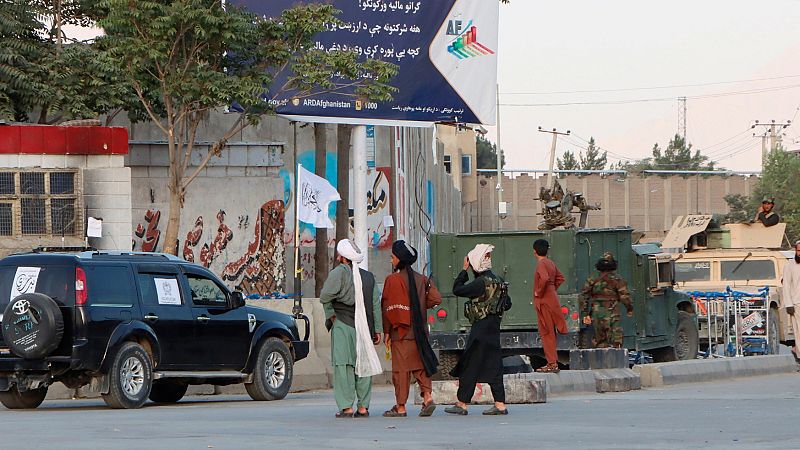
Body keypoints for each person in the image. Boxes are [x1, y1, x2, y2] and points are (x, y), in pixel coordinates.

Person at [319, 239, 383, 418]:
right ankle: (363, 407)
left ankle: (347, 407)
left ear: (343, 258)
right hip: (364, 328)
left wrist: (331, 314)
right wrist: (377, 330)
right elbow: (375, 305)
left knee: (343, 365)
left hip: (343, 325)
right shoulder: (369, 277)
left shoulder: (339, 273)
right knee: (363, 364)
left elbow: (325, 296)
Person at [445, 243, 508, 416]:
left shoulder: (480, 283)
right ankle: (500, 404)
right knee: (494, 366)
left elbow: (457, 289)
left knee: (470, 365)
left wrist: (463, 271)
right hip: (494, 329)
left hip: (480, 329)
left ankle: (462, 403)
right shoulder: (499, 281)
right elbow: (507, 303)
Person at [381, 240, 442, 417]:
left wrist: (386, 332)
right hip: (419, 332)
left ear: (400, 259)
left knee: (401, 371)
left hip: (401, 333)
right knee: (420, 366)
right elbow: (436, 299)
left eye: (392, 257)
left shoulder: (393, 280)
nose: (391, 261)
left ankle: (400, 407)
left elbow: (387, 307)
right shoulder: (422, 279)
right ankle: (427, 398)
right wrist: (421, 306)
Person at [579, 252, 633, 349]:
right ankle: (616, 361)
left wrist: (585, 314)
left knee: (599, 340)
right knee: (616, 340)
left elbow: (584, 296)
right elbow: (625, 297)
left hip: (596, 313)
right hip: (612, 312)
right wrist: (629, 309)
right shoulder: (618, 279)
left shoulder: (592, 278)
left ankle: (600, 362)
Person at [532, 239, 567, 373]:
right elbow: (560, 278)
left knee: (546, 332)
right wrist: (552, 290)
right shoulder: (550, 263)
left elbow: (545, 278)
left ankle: (552, 363)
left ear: (534, 251)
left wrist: (539, 292)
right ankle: (552, 362)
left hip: (544, 302)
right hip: (552, 299)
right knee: (551, 332)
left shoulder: (541, 264)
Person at [781, 241, 800, 361]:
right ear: (795, 251)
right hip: (796, 303)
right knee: (798, 332)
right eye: (799, 251)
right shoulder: (790, 265)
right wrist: (788, 304)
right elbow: (786, 285)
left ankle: (796, 350)